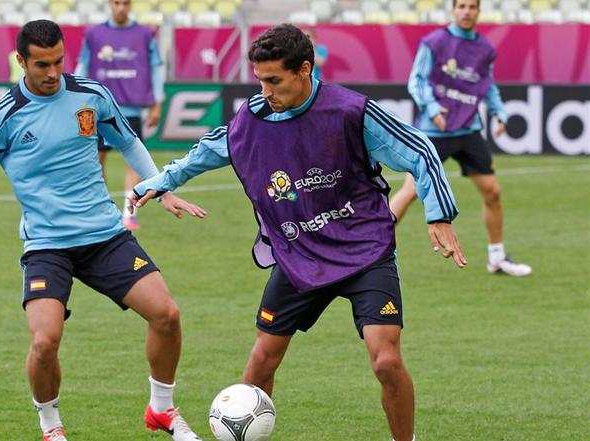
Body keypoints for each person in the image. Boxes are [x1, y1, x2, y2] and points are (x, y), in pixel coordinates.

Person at [130, 24, 467, 441]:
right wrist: (161, 181)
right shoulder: (250, 120)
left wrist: (439, 215)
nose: (265, 91)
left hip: (364, 249)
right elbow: (208, 149)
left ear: (304, 69)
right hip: (298, 254)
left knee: (385, 362)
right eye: (259, 80)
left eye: (274, 80)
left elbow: (420, 149)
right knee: (261, 363)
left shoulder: (349, 111)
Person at [0, 20, 204, 441]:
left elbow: (129, 141)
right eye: (41, 64)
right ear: (20, 61)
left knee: (167, 314)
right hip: (47, 247)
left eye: (58, 61)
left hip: (105, 236)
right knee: (45, 342)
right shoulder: (2, 116)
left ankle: (162, 409)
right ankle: (51, 428)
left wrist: (160, 185)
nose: (51, 73)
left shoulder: (91, 95)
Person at [389, 0, 531, 277]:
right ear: (453, 10)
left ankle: (497, 258)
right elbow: (416, 80)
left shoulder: (485, 49)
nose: (466, 11)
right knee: (409, 193)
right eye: (462, 6)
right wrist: (431, 109)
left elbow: (486, 86)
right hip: (434, 131)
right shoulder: (434, 42)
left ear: (479, 11)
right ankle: (366, 251)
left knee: (493, 191)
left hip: (468, 130)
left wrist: (499, 112)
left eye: (472, 6)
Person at [75, 0, 164, 230]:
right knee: (96, 160)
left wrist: (157, 103)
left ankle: (128, 212)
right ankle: (103, 211)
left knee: (134, 161)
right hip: (98, 108)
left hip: (131, 108)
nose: (121, 8)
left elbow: (156, 68)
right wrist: (75, 97)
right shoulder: (94, 34)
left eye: (125, 3)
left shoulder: (144, 34)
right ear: (109, 4)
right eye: (116, 3)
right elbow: (82, 66)